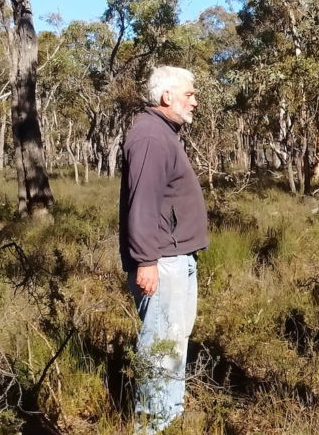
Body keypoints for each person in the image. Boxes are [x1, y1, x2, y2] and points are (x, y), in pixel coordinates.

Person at [119, 65, 208, 434]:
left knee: (174, 340)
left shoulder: (162, 133)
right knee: (161, 345)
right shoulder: (151, 137)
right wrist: (146, 261)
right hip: (162, 260)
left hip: (175, 257)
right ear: (166, 96)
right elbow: (143, 203)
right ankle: (152, 424)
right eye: (189, 94)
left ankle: (168, 418)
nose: (195, 102)